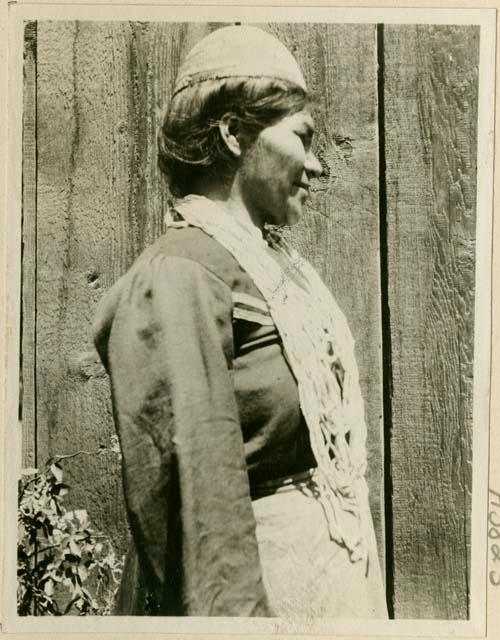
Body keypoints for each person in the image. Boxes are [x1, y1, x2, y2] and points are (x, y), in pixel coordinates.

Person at [93, 25, 388, 618]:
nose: (318, 164)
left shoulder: (272, 267)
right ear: (232, 133)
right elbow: (199, 505)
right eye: (302, 138)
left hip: (325, 584)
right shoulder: (179, 275)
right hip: (260, 598)